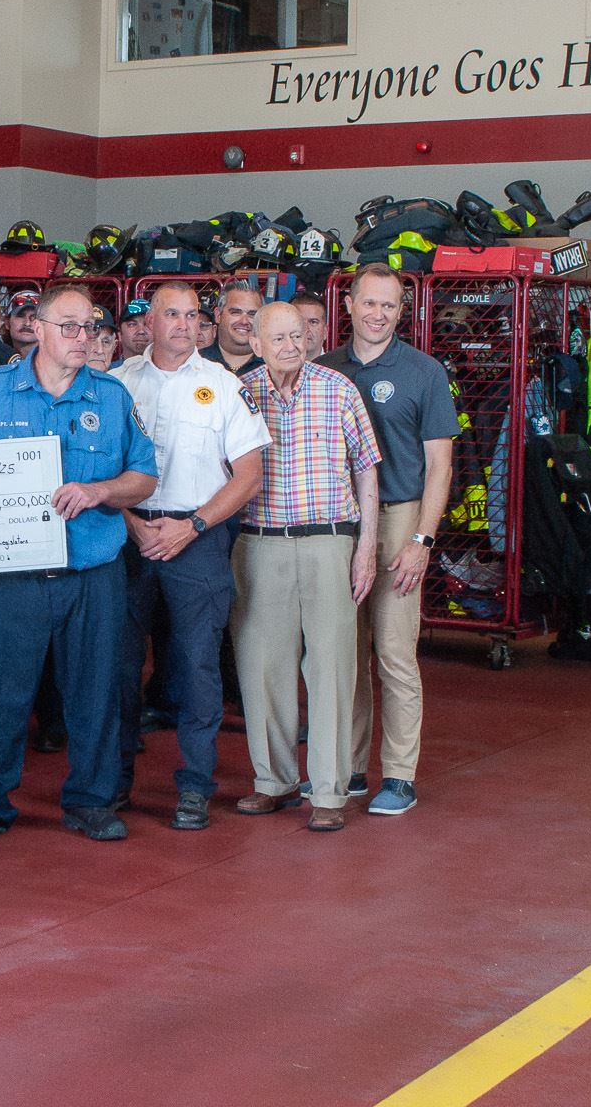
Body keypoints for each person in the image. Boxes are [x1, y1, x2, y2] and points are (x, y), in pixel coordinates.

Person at [0, 284, 158, 846]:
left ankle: (90, 801)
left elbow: (144, 475)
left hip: (90, 572)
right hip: (4, 579)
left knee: (95, 694)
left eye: (90, 327)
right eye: (68, 326)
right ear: (35, 328)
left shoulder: (111, 397)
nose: (82, 338)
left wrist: (99, 490)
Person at [111, 282, 269, 829]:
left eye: (191, 315)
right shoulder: (115, 384)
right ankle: (114, 782)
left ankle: (196, 786)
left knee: (197, 666)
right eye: (170, 314)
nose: (182, 324)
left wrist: (192, 525)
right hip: (129, 540)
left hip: (197, 539)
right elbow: (99, 470)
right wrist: (131, 523)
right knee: (120, 666)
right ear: (146, 323)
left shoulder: (224, 387)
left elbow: (249, 477)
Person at [231, 301, 381, 834]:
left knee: (333, 669)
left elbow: (366, 470)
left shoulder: (338, 389)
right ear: (256, 344)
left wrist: (366, 547)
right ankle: (273, 783)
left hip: (329, 543)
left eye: (299, 335)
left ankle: (329, 789)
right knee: (262, 668)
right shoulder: (239, 393)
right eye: (279, 339)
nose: (292, 346)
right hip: (260, 543)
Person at [319, 265, 456, 817]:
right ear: (348, 305)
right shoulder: (323, 369)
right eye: (369, 303)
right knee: (342, 654)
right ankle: (349, 769)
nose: (378, 314)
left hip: (400, 516)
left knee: (394, 653)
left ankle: (398, 775)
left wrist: (421, 540)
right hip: (340, 522)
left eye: (390, 306)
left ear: (404, 312)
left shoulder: (425, 372)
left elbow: (440, 466)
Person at [203, 279, 263, 379]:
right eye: (235, 312)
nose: (244, 321)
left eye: (252, 314)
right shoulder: (196, 361)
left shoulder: (274, 365)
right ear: (218, 315)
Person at [292, 290, 330, 360]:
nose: (306, 329)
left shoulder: (338, 370)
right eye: (299, 321)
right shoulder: (271, 369)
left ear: (325, 332)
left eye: (313, 322)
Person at [5, 289, 40, 354]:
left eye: (34, 317)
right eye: (20, 316)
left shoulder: (56, 359)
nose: (27, 323)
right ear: (7, 323)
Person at [85, 305, 120, 370]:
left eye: (106, 342)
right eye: (91, 340)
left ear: (114, 346)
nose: (99, 350)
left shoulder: (123, 379)